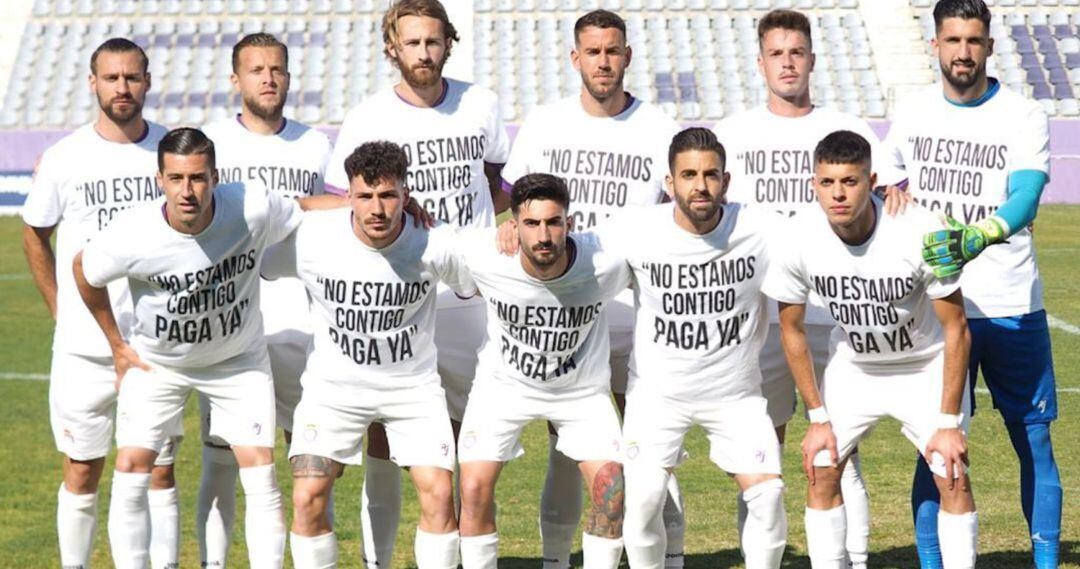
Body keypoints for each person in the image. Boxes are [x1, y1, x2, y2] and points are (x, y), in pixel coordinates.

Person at [325, 3, 511, 564]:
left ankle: (459, 554)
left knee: (466, 434)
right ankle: (377, 559)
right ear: (392, 48)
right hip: (397, 296)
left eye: (433, 42)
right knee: (383, 433)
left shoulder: (481, 103)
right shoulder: (366, 117)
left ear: (448, 43)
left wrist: (477, 238)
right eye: (412, 43)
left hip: (469, 295)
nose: (423, 53)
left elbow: (496, 182)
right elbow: (343, 203)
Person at [73, 127, 306, 568]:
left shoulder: (250, 206)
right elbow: (84, 269)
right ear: (159, 179)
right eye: (176, 179)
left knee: (260, 474)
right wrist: (117, 345)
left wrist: (369, 204)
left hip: (238, 361)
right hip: (158, 363)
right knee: (131, 471)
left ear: (215, 177)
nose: (187, 191)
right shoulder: (131, 233)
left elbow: (305, 211)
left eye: (197, 178)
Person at [500, 10, 683, 567]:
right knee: (567, 446)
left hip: (639, 308)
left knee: (648, 446)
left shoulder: (660, 126)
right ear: (575, 58)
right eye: (593, 52)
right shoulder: (546, 124)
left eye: (613, 51)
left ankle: (665, 554)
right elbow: (509, 206)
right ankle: (558, 556)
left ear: (627, 56)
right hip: (565, 310)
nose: (604, 61)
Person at [886, 2, 1061, 567]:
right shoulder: (910, 113)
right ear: (935, 45)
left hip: (1011, 300)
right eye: (953, 40)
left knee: (1032, 439)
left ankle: (1048, 560)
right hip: (941, 308)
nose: (964, 52)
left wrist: (979, 234)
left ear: (989, 46)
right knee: (935, 446)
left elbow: (1027, 194)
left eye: (974, 40)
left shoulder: (1022, 113)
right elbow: (884, 183)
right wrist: (885, 193)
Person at [710, 10, 881, 565]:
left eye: (796, 52)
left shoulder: (845, 128)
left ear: (812, 59)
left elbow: (883, 199)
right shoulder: (732, 134)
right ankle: (763, 557)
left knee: (841, 452)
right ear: (760, 63)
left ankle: (851, 558)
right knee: (762, 450)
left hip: (837, 316)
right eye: (776, 53)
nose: (787, 62)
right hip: (759, 317)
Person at [763, 130, 978, 568]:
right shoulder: (797, 237)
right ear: (813, 185)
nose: (838, 194)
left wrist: (949, 422)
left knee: (950, 473)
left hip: (924, 365)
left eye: (851, 181)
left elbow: (956, 328)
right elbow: (792, 329)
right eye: (827, 183)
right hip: (856, 368)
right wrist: (817, 417)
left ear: (872, 181)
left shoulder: (919, 230)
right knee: (821, 465)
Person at [263, 141, 469, 569]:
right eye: (365, 196)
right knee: (307, 495)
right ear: (348, 197)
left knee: (439, 493)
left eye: (389, 195)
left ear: (406, 196)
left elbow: (479, 283)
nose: (377, 208)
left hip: (412, 389)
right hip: (332, 389)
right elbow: (264, 243)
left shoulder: (435, 242)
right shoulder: (312, 239)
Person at [21, 37, 181, 569]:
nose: (122, 88)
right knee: (82, 467)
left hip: (156, 346)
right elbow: (34, 234)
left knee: (158, 469)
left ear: (148, 81)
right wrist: (61, 310)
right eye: (111, 78)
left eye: (132, 77)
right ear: (93, 83)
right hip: (84, 349)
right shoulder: (66, 157)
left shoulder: (172, 152)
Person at [618, 128, 787, 569]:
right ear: (669, 183)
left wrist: (890, 206)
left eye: (711, 175)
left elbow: (830, 229)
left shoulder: (761, 227)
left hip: (736, 396)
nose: (700, 185)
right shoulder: (635, 229)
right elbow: (569, 249)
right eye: (688, 175)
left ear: (726, 181)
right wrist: (505, 237)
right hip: (658, 395)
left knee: (768, 498)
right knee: (642, 500)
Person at [196, 31, 333, 568]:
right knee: (224, 457)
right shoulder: (211, 144)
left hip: (306, 318)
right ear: (236, 80)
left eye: (277, 69)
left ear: (288, 77)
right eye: (256, 70)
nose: (268, 79)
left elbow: (347, 211)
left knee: (308, 460)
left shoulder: (317, 144)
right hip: (231, 321)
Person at [457, 174, 628, 569]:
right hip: (503, 388)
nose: (544, 235)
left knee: (612, 489)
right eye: (532, 224)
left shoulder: (604, 262)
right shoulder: (485, 256)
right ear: (513, 226)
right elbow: (420, 240)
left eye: (554, 222)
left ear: (570, 222)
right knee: (473, 486)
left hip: (581, 392)